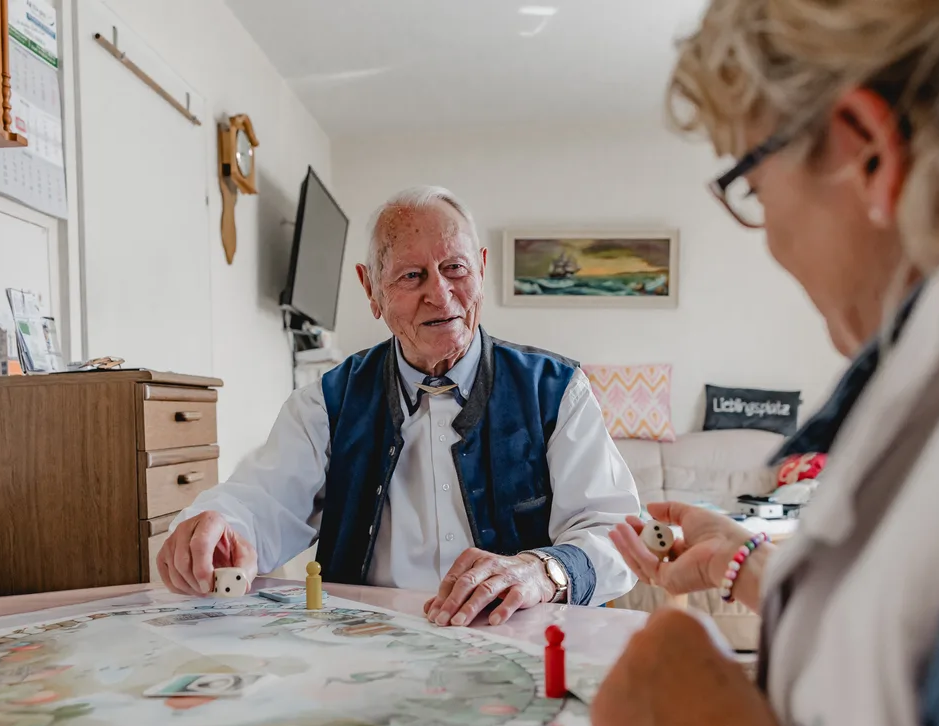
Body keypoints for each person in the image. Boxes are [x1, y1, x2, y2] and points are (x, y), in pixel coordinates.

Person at [590, 1, 939, 726]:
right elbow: (921, 626)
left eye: (754, 187)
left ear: (867, 152)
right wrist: (743, 565)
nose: (771, 238)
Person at [159, 186, 639, 625]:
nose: (440, 294)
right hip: (371, 653)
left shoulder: (556, 390)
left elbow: (615, 534)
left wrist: (543, 571)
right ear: (371, 289)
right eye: (412, 275)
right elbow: (261, 503)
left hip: (525, 643)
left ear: (481, 270)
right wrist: (216, 529)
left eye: (455, 268)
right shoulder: (327, 403)